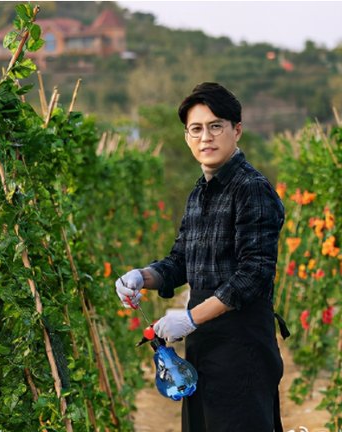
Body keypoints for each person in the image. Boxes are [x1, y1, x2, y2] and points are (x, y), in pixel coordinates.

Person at [115, 82, 289, 432]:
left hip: (242, 349)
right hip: (203, 349)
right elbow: (180, 261)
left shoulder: (251, 188)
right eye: (196, 129)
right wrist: (142, 276)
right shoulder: (200, 192)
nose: (205, 137)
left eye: (215, 126)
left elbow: (253, 274)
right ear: (186, 137)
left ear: (236, 130)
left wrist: (191, 318)